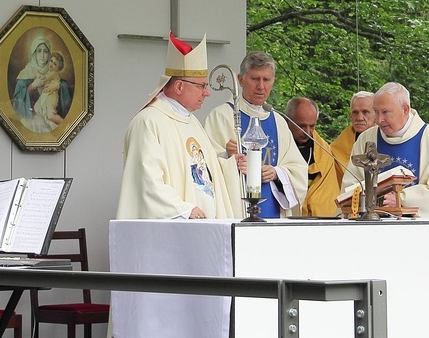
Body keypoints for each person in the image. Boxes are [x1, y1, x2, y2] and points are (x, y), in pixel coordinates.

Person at [116, 33, 235, 219]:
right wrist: (183, 209)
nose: (207, 93)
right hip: (175, 228)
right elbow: (146, 181)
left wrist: (231, 165)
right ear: (179, 86)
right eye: (202, 86)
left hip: (203, 228)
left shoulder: (193, 122)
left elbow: (203, 173)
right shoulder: (148, 122)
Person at [342, 82, 429, 218]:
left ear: (405, 109)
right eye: (376, 112)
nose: (379, 120)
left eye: (386, 112)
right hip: (374, 228)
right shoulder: (366, 139)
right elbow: (351, 186)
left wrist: (401, 199)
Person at [204, 51, 307, 218]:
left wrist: (276, 173)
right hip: (237, 212)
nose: (261, 86)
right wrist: (227, 157)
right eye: (255, 79)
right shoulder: (221, 116)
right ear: (240, 80)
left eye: (266, 80)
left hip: (274, 211)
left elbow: (298, 169)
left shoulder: (279, 121)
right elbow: (205, 168)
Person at [284, 97, 340, 217]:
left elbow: (327, 195)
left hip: (318, 221)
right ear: (287, 120)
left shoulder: (324, 152)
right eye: (301, 126)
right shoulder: (278, 147)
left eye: (312, 126)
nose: (307, 132)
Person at [330, 91, 375, 185]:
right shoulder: (338, 145)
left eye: (365, 112)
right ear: (350, 116)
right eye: (355, 112)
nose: (359, 118)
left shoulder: (384, 137)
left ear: (376, 114)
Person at [12, 36, 51, 119]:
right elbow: (18, 105)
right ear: (34, 53)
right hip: (30, 121)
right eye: (39, 51)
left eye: (45, 51)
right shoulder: (24, 76)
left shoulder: (54, 75)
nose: (42, 55)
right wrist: (33, 86)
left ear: (49, 54)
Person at [31, 52, 65, 130]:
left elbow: (43, 79)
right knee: (38, 109)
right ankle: (54, 126)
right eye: (51, 61)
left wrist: (36, 72)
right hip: (46, 96)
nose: (51, 64)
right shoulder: (50, 72)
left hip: (51, 97)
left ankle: (64, 124)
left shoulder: (54, 73)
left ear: (58, 68)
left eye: (55, 64)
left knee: (50, 116)